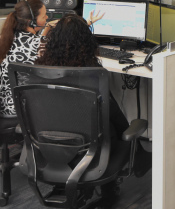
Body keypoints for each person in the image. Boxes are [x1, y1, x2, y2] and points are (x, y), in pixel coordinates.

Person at [36, 14, 151, 205]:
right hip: (91, 152)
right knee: (114, 125)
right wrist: (130, 134)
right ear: (86, 42)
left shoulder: (38, 69)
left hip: (47, 146)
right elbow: (113, 115)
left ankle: (131, 161)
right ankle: (112, 187)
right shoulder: (92, 75)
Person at [0, 0, 56, 116]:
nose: (47, 18)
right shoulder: (38, 44)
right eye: (44, 16)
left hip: (0, 105)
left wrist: (46, 28)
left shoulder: (5, 37)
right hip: (19, 109)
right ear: (30, 22)